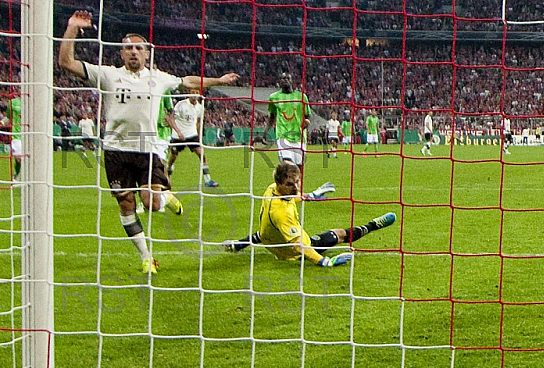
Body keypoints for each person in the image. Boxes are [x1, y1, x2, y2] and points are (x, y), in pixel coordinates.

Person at [59, 9, 239, 274]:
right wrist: (73, 27)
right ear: (121, 53)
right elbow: (66, 63)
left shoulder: (158, 78)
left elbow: (188, 81)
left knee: (151, 203)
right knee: (125, 204)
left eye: (138, 48)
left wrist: (217, 80)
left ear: (146, 53)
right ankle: (146, 256)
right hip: (116, 151)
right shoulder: (108, 74)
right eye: (128, 48)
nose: (133, 52)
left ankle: (168, 200)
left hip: (147, 149)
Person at [222, 163, 395, 266]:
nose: (296, 187)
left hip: (270, 237)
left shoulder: (271, 190)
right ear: (279, 183)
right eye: (290, 184)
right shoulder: (282, 215)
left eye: (297, 181)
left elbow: (292, 198)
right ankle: (372, 225)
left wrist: (311, 195)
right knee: (340, 235)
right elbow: (300, 247)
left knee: (265, 231)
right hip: (291, 252)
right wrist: (324, 262)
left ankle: (238, 244)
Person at [166, 90, 219, 187]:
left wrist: (198, 135)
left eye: (196, 92)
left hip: (191, 134)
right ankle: (167, 177)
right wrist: (178, 132)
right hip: (178, 135)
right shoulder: (181, 104)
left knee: (201, 154)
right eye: (192, 92)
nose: (194, 95)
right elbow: (172, 119)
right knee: (173, 157)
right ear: (189, 93)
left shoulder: (199, 107)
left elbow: (198, 122)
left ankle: (208, 180)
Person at [266, 72, 311, 167]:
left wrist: (306, 122)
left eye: (288, 78)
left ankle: (289, 182)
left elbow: (307, 116)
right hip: (282, 135)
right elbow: (272, 117)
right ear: (280, 82)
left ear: (292, 81)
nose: (286, 80)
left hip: (299, 136)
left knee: (298, 168)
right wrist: (265, 132)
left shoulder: (302, 97)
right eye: (283, 78)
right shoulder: (274, 97)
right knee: (288, 165)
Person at [5, 96, 23, 180]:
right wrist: (2, 122)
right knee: (19, 159)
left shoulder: (34, 102)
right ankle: (17, 175)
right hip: (16, 134)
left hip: (29, 134)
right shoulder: (13, 102)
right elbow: (8, 117)